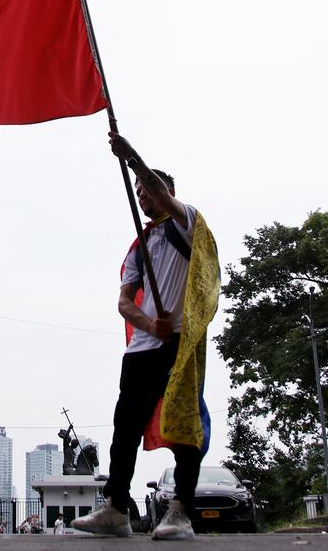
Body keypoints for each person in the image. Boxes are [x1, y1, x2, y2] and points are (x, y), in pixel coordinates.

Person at [72, 132, 219, 541]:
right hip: (142, 349)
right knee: (126, 428)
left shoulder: (186, 222)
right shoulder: (139, 246)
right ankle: (116, 509)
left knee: (183, 423)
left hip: (178, 346)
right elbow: (123, 301)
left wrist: (133, 158)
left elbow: (160, 192)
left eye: (148, 189)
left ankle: (181, 513)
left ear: (168, 192)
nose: (142, 196)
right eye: (137, 191)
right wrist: (146, 322)